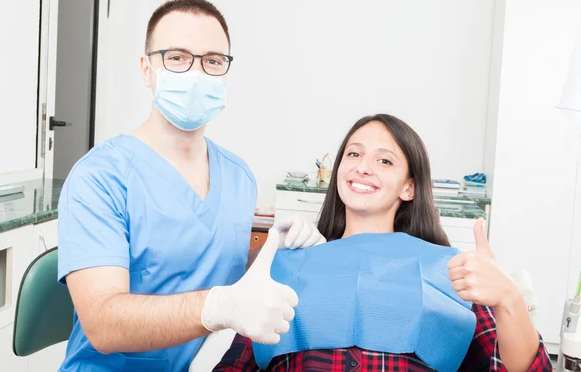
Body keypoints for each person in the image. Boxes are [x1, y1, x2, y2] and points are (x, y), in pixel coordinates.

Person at [56, 0, 324, 372]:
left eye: (212, 61)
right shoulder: (100, 178)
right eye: (177, 57)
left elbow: (214, 265)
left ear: (226, 74)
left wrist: (276, 248)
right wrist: (217, 308)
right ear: (146, 68)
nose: (196, 73)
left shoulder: (238, 175)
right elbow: (102, 323)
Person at [214, 114, 552, 371]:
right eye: (353, 154)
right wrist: (269, 260)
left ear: (409, 187)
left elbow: (517, 368)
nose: (363, 167)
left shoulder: (448, 271)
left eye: (384, 160)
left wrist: (509, 299)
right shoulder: (288, 266)